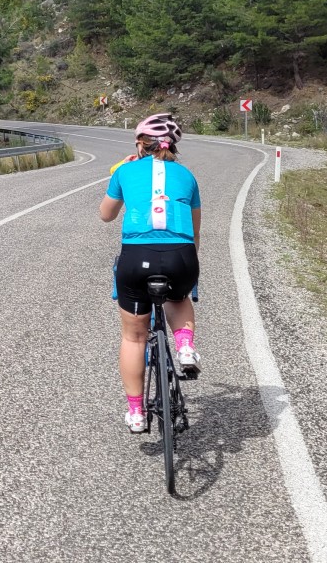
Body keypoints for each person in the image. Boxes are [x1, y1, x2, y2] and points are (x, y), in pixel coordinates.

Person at [98, 113, 202, 434]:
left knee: (134, 336)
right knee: (178, 297)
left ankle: (136, 413)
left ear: (141, 145)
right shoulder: (187, 176)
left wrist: (121, 170)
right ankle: (185, 346)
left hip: (136, 257)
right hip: (181, 257)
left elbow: (105, 215)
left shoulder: (125, 171)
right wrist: (186, 266)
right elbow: (195, 232)